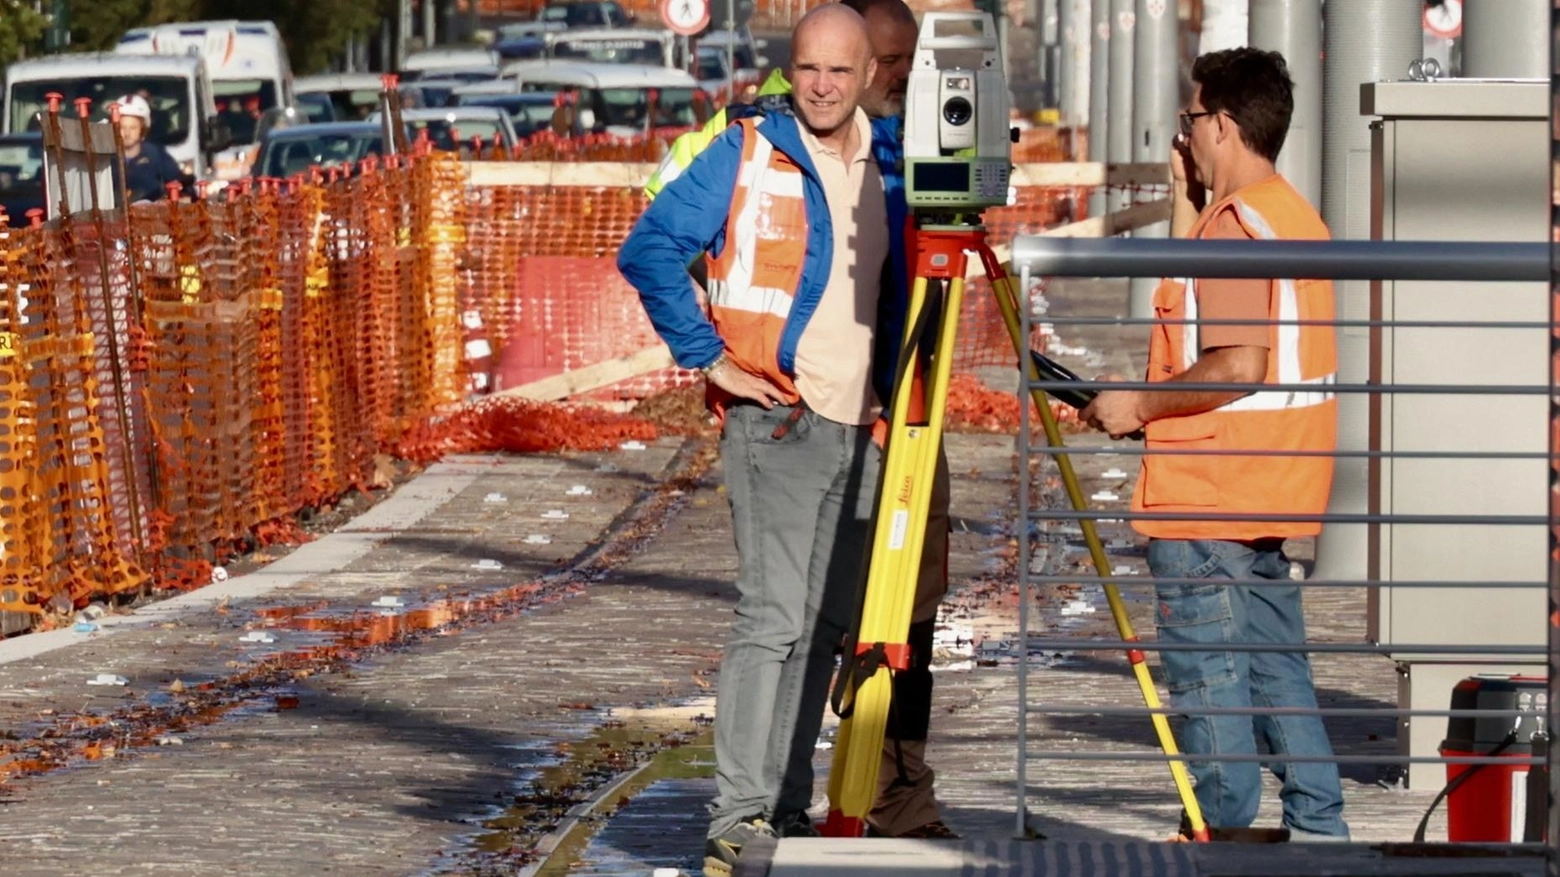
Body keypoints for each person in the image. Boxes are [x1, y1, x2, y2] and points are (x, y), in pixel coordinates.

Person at [642, 0, 956, 841]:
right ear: (794, 68)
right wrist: (711, 360)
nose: (822, 85)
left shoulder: (889, 162)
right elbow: (651, 248)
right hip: (778, 423)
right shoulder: (748, 150)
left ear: (870, 77)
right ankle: (739, 812)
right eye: (809, 68)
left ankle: (782, 803)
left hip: (862, 431)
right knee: (772, 620)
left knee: (821, 630)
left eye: (840, 71)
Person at [1078, 47, 1348, 840]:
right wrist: (1181, 199)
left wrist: (1136, 404)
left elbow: (1238, 361)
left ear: (1222, 124)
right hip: (1273, 487)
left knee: (1211, 687)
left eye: (1191, 119)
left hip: (1210, 493)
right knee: (1277, 679)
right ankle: (1321, 834)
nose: (1183, 133)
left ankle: (1221, 843)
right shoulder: (1287, 214)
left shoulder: (1234, 228)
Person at [114, 95, 192, 203]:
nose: (127, 133)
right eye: (122, 127)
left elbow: (182, 187)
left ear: (143, 128)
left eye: (133, 128)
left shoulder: (156, 155)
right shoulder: (104, 159)